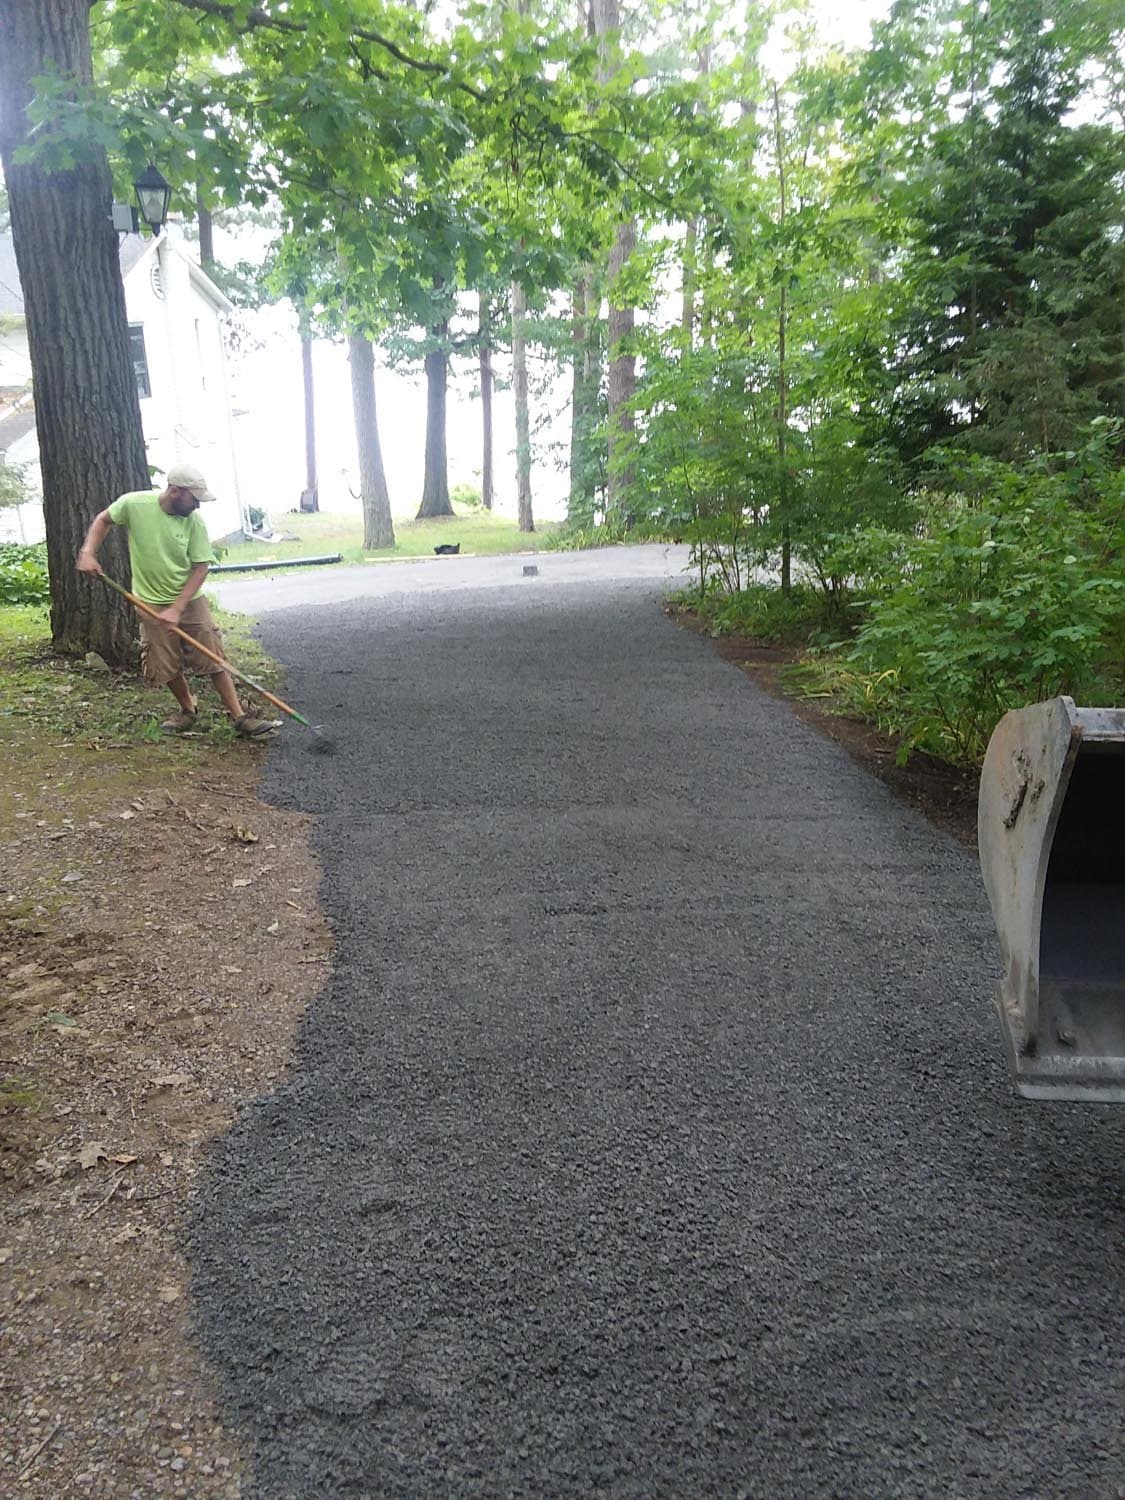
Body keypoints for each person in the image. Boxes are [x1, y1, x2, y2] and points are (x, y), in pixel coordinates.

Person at [76, 464, 275, 738]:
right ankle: (187, 711)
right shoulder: (134, 504)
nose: (197, 506)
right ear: (174, 492)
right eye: (194, 499)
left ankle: (239, 717)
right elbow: (103, 520)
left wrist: (177, 608)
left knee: (212, 655)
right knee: (163, 662)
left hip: (189, 600)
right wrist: (88, 552)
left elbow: (201, 566)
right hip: (150, 601)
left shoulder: (194, 522)